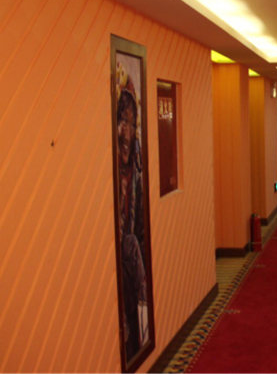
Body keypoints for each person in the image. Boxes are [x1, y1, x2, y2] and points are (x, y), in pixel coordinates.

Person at [116, 62, 149, 358]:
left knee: (132, 244)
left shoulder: (135, 174)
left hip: (132, 262)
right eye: (122, 122)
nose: (126, 134)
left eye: (132, 123)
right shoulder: (112, 174)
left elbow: (140, 231)